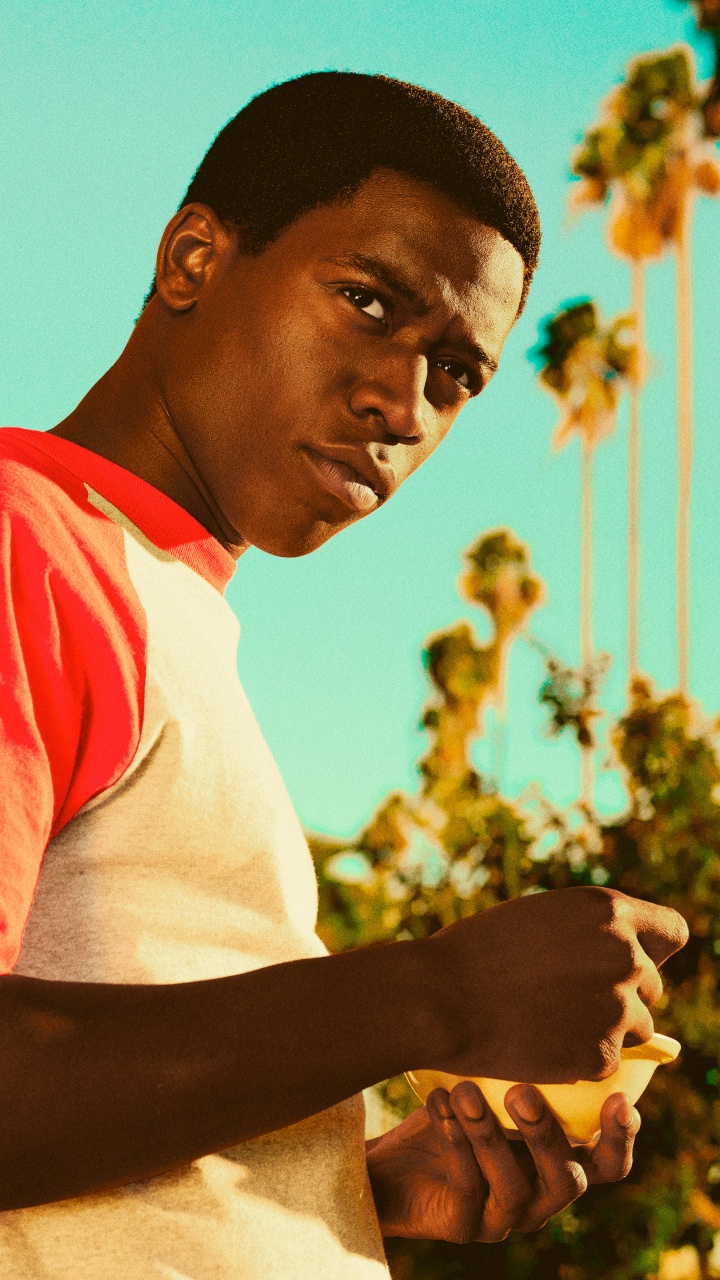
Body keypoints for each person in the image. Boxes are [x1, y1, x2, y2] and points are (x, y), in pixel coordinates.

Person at [0, 71, 687, 1279]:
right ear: (193, 259)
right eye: (370, 302)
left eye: (458, 374)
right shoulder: (27, 541)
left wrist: (343, 1183)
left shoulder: (170, 608)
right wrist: (434, 991)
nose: (401, 403)